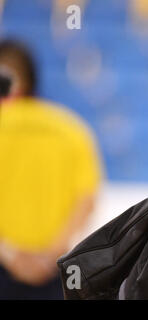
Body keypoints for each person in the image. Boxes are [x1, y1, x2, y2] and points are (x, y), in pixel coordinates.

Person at [0, 39, 102, 299]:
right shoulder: (71, 128)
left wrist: (10, 254)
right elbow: (87, 200)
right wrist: (49, 255)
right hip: (55, 270)